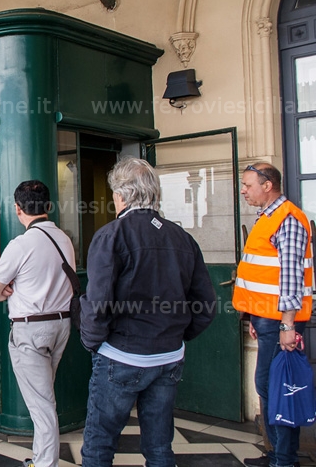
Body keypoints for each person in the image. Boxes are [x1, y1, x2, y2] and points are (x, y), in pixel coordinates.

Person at [79, 157, 216, 467]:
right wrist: (175, 335)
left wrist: (93, 342)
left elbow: (97, 303)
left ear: (122, 195)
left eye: (114, 192)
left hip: (121, 355)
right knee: (159, 447)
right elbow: (206, 306)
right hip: (168, 357)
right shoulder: (183, 239)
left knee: (99, 445)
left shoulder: (111, 235)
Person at [0, 180, 74, 467]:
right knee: (44, 397)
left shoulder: (20, 245)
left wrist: (7, 290)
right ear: (48, 207)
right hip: (61, 326)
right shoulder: (64, 238)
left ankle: (46, 463)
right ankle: (39, 457)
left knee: (42, 404)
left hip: (31, 330)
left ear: (17, 209)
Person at [232, 163, 313, 467]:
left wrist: (288, 326)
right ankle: (276, 453)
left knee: (276, 387)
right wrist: (254, 316)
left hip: (282, 321)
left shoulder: (288, 219)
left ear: (268, 185)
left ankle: (284, 459)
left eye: (248, 185)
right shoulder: (268, 217)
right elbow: (265, 275)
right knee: (268, 385)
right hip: (267, 319)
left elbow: (291, 277)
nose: (244, 190)